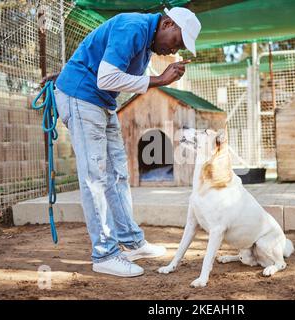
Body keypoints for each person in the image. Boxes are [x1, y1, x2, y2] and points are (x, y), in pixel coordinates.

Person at [49, 7, 201, 277]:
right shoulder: (133, 27)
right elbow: (106, 77)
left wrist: (158, 76)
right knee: (95, 177)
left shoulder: (147, 41)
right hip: (83, 97)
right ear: (166, 23)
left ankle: (131, 242)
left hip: (102, 103)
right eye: (176, 41)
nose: (173, 50)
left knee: (118, 174)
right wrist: (159, 79)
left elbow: (99, 59)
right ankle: (105, 254)